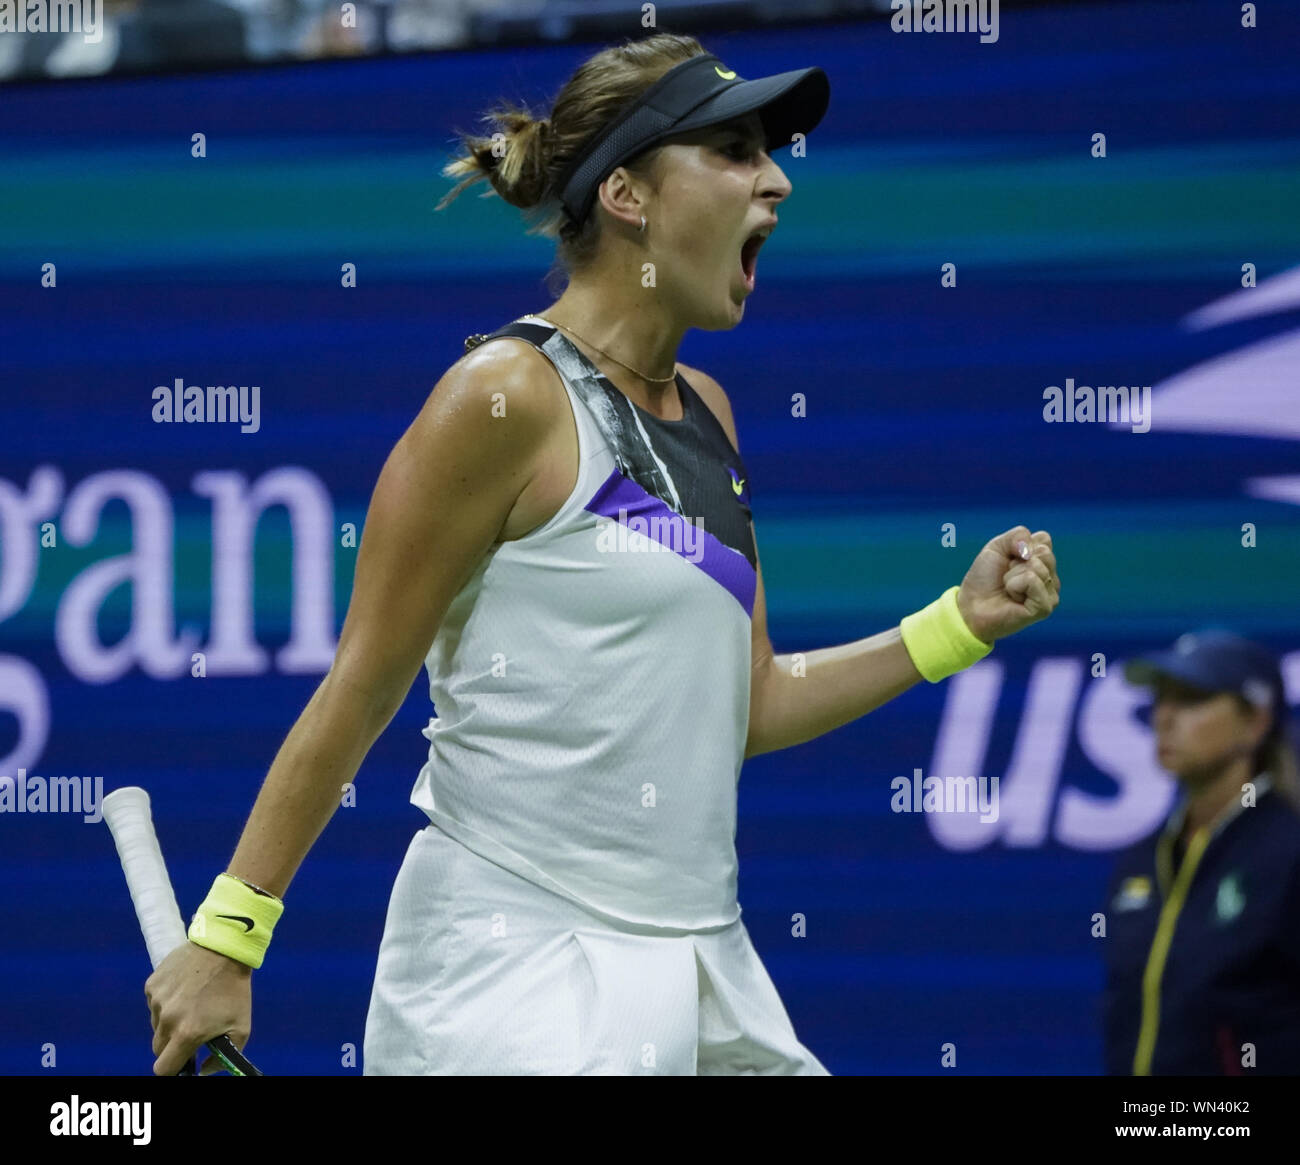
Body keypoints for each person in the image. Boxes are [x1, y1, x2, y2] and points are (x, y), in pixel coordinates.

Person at [144, 31, 1061, 1076]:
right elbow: (358, 688)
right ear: (627, 195)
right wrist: (229, 935)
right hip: (515, 970)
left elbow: (747, 699)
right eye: (734, 152)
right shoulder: (502, 398)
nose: (776, 182)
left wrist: (956, 624)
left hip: (703, 959)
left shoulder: (708, 413)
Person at [1102, 630, 1300, 1075]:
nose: (1164, 717)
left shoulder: (1288, 854)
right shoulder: (1143, 861)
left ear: (1255, 723)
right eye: (1161, 698)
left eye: (1191, 699)